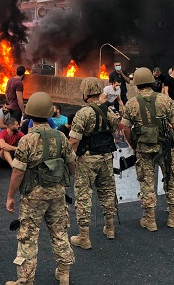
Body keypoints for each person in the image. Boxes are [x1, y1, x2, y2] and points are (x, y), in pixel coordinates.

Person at [5, 92, 76, 285]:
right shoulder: (61, 136)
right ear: (49, 114)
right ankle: (64, 274)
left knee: (28, 237)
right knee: (60, 233)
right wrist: (64, 180)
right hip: (57, 193)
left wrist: (11, 196)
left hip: (33, 196)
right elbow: (71, 163)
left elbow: (18, 172)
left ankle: (25, 280)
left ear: (29, 115)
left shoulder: (27, 140)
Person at [121, 67, 174, 231]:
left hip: (143, 149)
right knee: (172, 180)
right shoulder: (165, 100)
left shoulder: (131, 103)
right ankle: (173, 217)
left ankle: (150, 220)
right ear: (152, 81)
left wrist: (133, 146)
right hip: (165, 148)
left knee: (147, 184)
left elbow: (126, 129)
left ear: (136, 84)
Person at [69, 77, 119, 248]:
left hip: (87, 159)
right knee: (107, 192)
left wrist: (68, 160)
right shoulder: (109, 111)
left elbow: (74, 141)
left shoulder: (82, 113)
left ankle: (84, 236)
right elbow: (115, 133)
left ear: (86, 93)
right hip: (106, 157)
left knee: (83, 196)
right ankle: (110, 227)